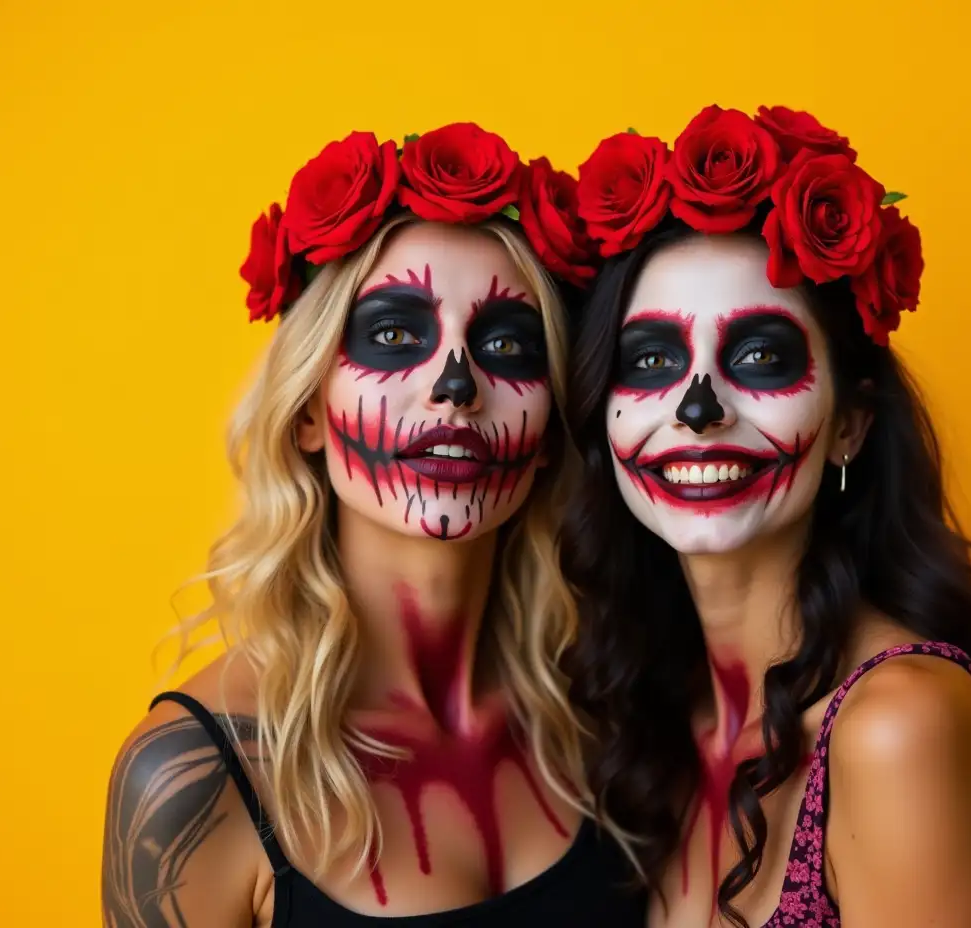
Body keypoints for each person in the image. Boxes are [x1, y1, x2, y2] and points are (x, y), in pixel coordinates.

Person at [101, 123, 645, 927]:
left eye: (505, 343)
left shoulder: (608, 711)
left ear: (549, 431)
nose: (455, 386)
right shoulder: (197, 775)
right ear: (310, 411)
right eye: (394, 336)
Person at [561, 105, 971, 927]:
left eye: (760, 357)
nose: (698, 409)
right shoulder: (644, 722)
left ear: (849, 425)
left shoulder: (898, 728)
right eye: (651, 360)